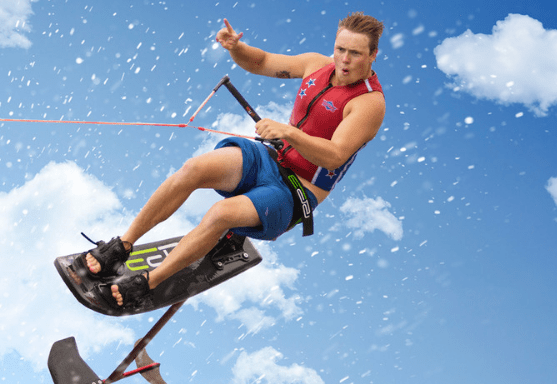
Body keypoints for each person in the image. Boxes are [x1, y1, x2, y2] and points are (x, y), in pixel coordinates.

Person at [73, 12, 386, 309]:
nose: (344, 60)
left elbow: (334, 157)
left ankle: (148, 284)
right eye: (340, 49)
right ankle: (121, 247)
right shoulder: (316, 64)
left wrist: (289, 133)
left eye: (355, 54)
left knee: (220, 213)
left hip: (296, 192)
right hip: (270, 159)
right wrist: (237, 48)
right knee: (194, 169)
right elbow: (261, 61)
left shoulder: (369, 104)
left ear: (372, 55)